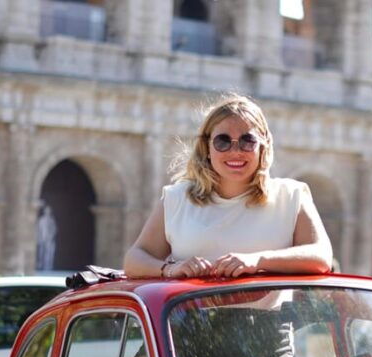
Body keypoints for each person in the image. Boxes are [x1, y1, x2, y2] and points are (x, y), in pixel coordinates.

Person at [123, 94, 333, 279]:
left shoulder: (291, 196)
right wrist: (171, 269)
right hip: (190, 322)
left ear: (263, 145)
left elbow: (322, 256)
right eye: (222, 141)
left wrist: (258, 261)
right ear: (206, 147)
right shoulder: (177, 198)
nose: (235, 151)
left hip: (270, 323)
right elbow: (134, 260)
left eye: (247, 141)